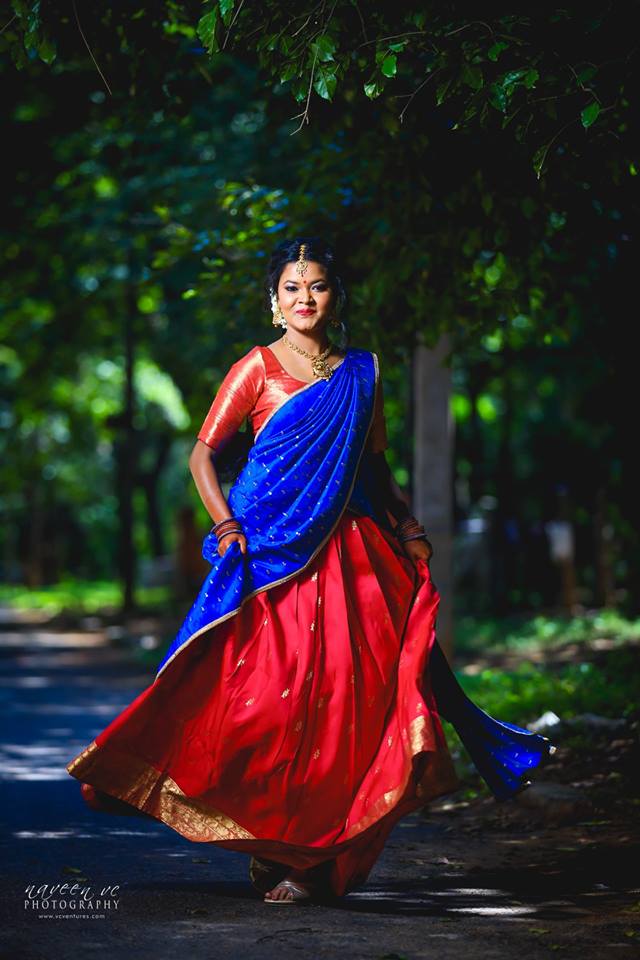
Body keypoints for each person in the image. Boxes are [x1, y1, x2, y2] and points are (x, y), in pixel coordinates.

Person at [67, 237, 554, 905]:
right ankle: (272, 841)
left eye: (317, 286)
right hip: (270, 564)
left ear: (335, 298)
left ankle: (316, 861)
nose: (304, 297)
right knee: (267, 710)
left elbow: (375, 468)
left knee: (347, 712)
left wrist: (407, 527)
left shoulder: (363, 374)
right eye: (292, 288)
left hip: (356, 563)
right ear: (275, 304)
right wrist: (226, 526)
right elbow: (203, 456)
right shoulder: (255, 369)